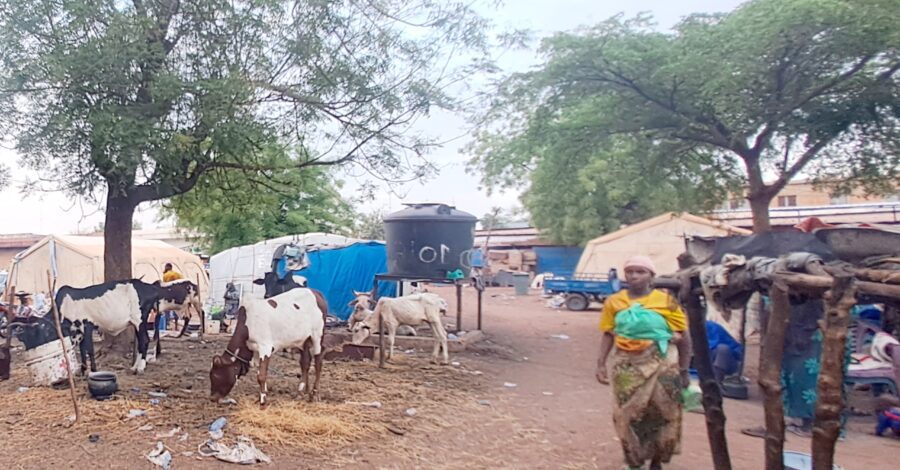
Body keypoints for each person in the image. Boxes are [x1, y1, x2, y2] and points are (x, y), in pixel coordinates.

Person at [596, 256, 691, 470]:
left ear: (652, 276)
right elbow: (608, 334)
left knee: (663, 412)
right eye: (630, 271)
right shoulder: (615, 302)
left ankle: (657, 461)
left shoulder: (666, 301)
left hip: (663, 363)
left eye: (641, 272)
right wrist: (600, 363)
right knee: (626, 414)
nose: (634, 276)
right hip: (626, 365)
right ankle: (632, 459)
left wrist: (684, 371)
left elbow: (684, 337)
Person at [705, 320, 743, 385]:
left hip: (726, 363)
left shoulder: (712, 327)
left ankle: (716, 383)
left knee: (723, 349)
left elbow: (738, 352)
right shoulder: (685, 328)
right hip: (703, 364)